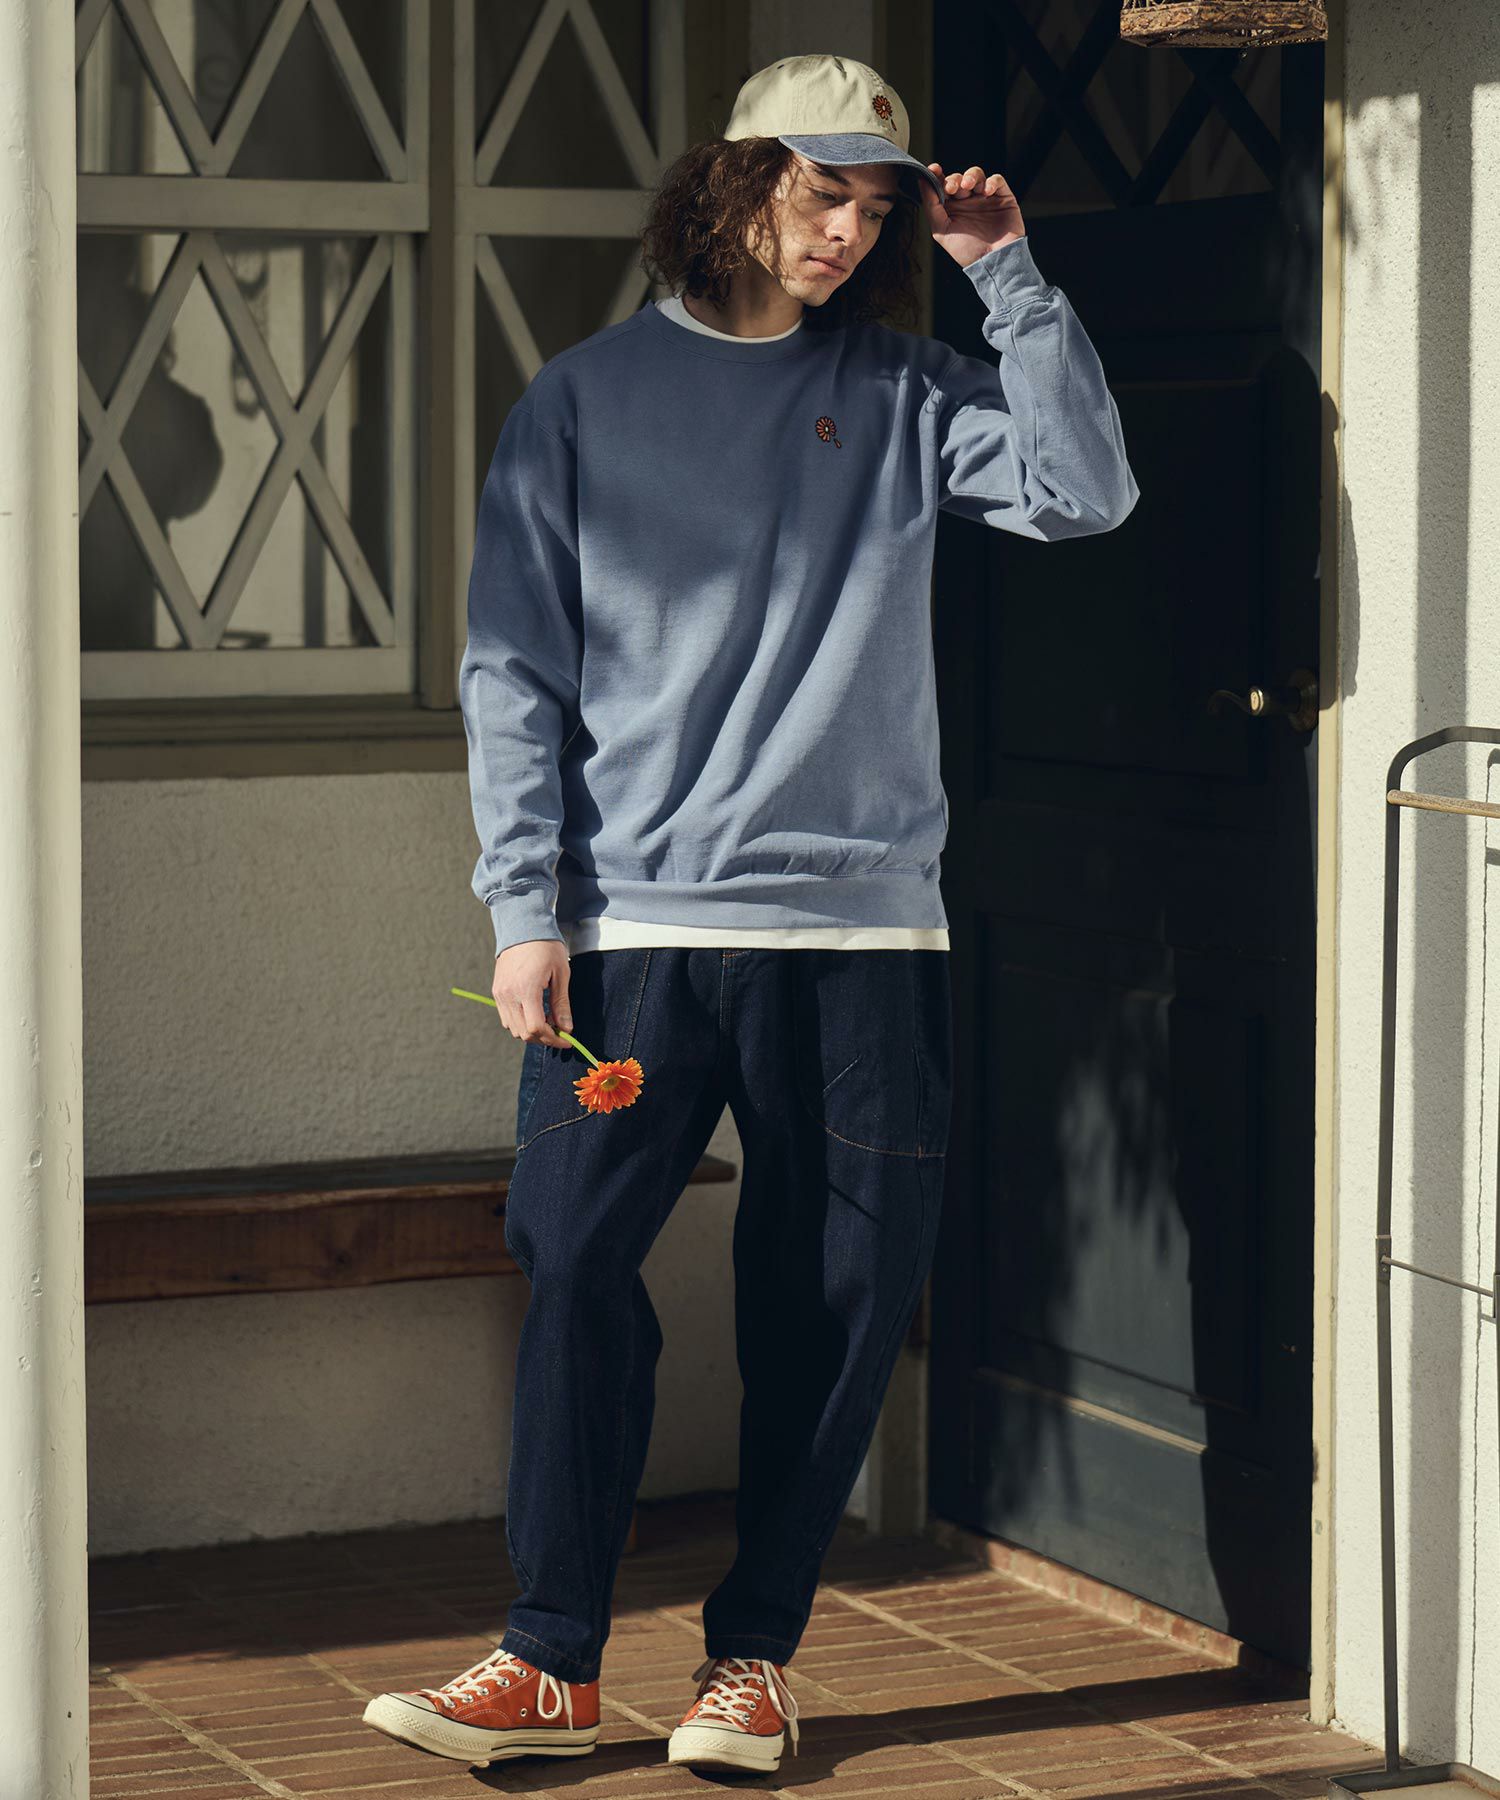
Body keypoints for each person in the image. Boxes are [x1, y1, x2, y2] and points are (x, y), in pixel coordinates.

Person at [362, 50, 1138, 1778]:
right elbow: (512, 670)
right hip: (630, 931)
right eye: (821, 191)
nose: (848, 231)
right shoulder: (580, 401)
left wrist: (1008, 274)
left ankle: (753, 1661)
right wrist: (522, 905)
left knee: (833, 1300)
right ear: (735, 183)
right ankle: (550, 1659)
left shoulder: (909, 388)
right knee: (572, 1255)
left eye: (875, 206)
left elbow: (1085, 491)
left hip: (862, 939)